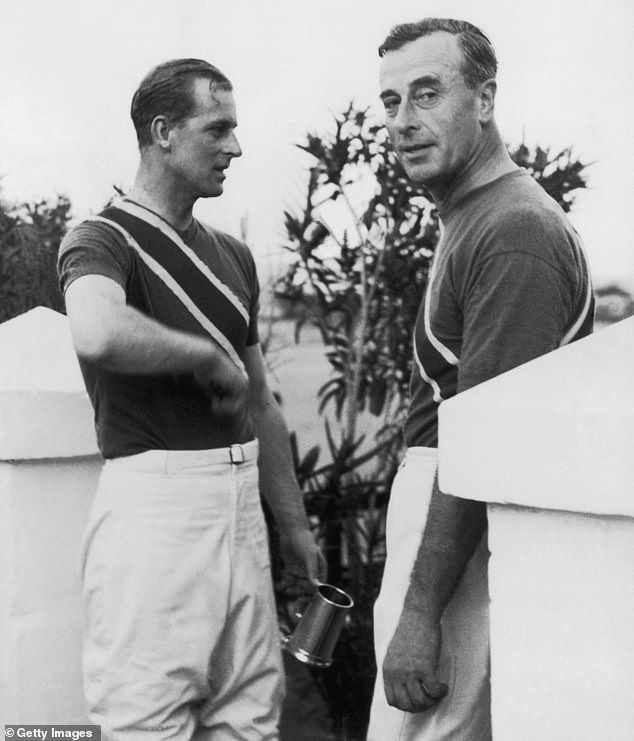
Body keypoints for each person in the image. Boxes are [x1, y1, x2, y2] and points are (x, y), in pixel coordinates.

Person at [58, 58, 326, 741]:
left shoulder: (234, 256)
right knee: (145, 719)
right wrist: (204, 354)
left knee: (250, 717)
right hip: (155, 510)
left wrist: (291, 522)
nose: (236, 147)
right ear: (163, 132)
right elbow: (95, 329)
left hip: (240, 510)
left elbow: (261, 401)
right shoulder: (101, 240)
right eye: (219, 129)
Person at [367, 18, 594, 741]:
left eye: (426, 95)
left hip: (466, 546)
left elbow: (486, 447)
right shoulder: (471, 214)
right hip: (449, 528)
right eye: (391, 102)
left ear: (485, 98)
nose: (403, 122)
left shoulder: (513, 230)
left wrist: (421, 609)